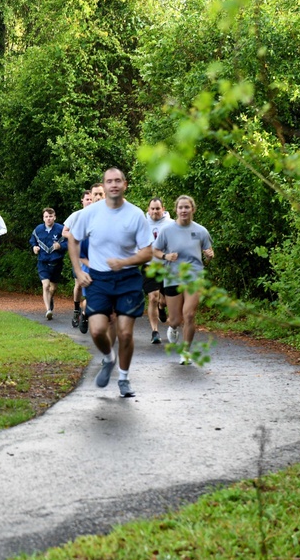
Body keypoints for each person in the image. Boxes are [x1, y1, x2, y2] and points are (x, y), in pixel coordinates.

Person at [68, 167, 153, 398]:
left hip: (127, 279)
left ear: (125, 185)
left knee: (125, 334)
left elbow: (147, 252)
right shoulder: (90, 213)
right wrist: (78, 270)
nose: (113, 185)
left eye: (118, 181)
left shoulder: (135, 214)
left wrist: (126, 261)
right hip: (99, 278)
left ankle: (124, 379)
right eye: (109, 181)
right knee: (96, 331)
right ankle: (108, 358)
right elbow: (73, 240)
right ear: (103, 186)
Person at [152, 195, 214, 365]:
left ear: (192, 209)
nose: (184, 210)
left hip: (194, 276)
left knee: (190, 315)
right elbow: (155, 251)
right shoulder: (167, 230)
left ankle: (186, 352)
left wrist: (209, 256)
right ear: (176, 210)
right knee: (176, 319)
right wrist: (166, 256)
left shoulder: (201, 231)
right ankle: (172, 327)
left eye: (187, 207)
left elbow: (208, 253)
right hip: (172, 276)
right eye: (181, 207)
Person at [144, 197, 175, 344]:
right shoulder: (142, 224)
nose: (155, 211)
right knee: (153, 297)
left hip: (168, 267)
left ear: (163, 209)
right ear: (148, 210)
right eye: (152, 209)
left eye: (158, 208)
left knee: (165, 300)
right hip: (149, 266)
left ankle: (161, 308)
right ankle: (155, 332)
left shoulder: (171, 224)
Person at [62, 190, 93, 330]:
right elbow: (64, 232)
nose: (89, 201)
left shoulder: (99, 215)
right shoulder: (76, 215)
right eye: (87, 199)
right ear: (82, 201)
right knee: (79, 284)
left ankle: (87, 314)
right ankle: (76, 309)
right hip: (80, 255)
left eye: (91, 199)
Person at [30, 208, 66, 320]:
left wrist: (60, 246)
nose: (48, 218)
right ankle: (48, 310)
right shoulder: (38, 229)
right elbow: (33, 241)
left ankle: (50, 301)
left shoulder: (61, 229)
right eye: (46, 217)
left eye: (50, 216)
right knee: (45, 285)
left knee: (53, 288)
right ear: (43, 218)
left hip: (56, 263)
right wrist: (34, 247)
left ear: (54, 217)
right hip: (43, 262)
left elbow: (69, 243)